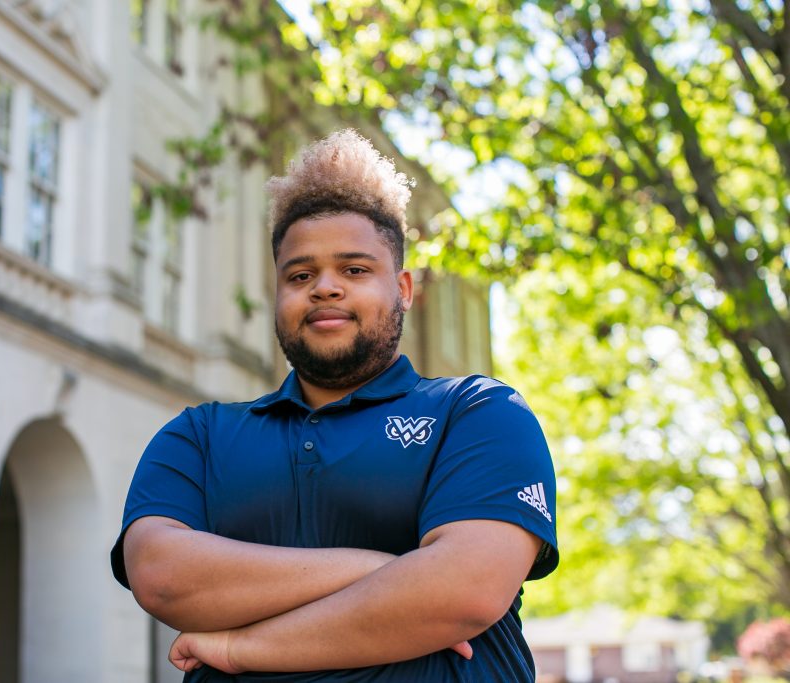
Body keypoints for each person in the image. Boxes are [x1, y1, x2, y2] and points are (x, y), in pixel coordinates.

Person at [110, 129, 559, 681]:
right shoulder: (198, 436)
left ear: (404, 290)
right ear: (277, 294)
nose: (324, 288)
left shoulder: (479, 414)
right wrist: (384, 570)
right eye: (300, 275)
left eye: (354, 270)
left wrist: (237, 649)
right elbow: (161, 577)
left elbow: (463, 592)